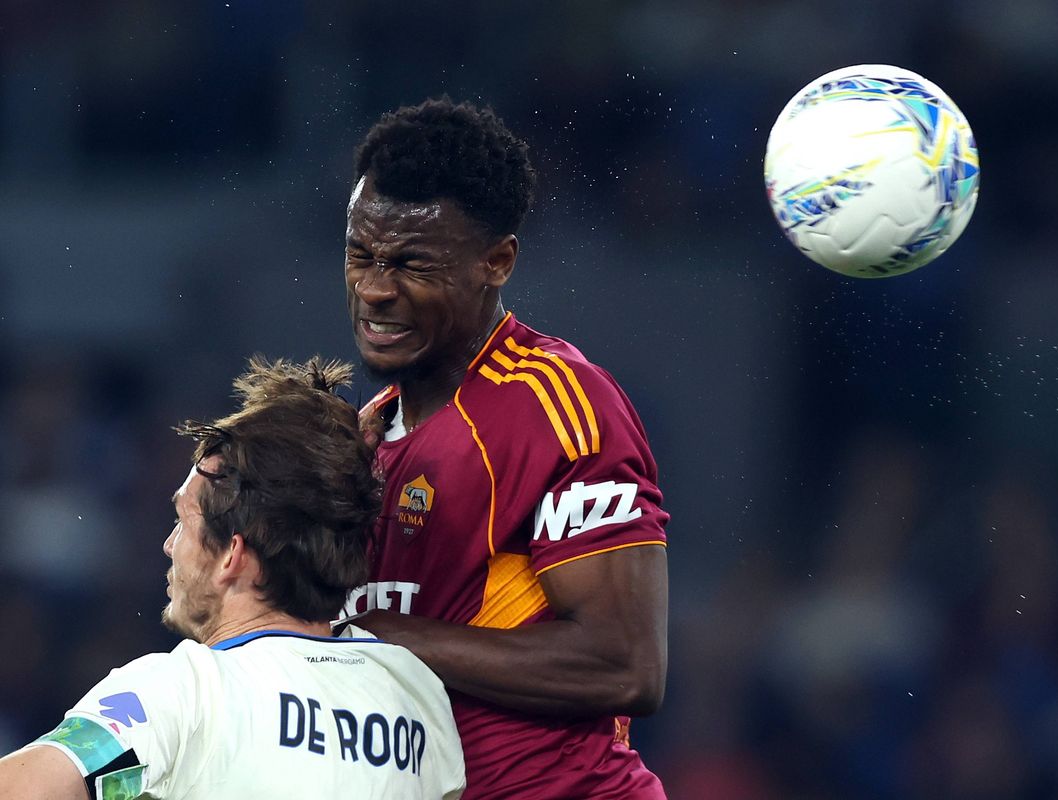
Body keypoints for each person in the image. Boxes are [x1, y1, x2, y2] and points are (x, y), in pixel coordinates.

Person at [342, 98, 670, 799]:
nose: (374, 289)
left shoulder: (557, 405)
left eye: (411, 264)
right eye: (360, 253)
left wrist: (377, 634)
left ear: (496, 261)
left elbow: (624, 664)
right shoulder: (364, 434)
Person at [0, 357, 466, 800]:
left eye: (185, 520)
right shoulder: (414, 693)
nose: (169, 545)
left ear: (232, 556)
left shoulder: (182, 692)